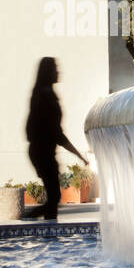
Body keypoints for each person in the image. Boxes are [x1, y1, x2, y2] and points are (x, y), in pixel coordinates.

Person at [22, 57, 88, 220]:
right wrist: (78, 154)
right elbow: (57, 134)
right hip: (42, 153)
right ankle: (28, 220)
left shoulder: (43, 93)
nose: (58, 71)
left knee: (54, 196)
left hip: (42, 152)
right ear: (48, 72)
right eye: (55, 68)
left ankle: (46, 231)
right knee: (54, 197)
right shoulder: (45, 96)